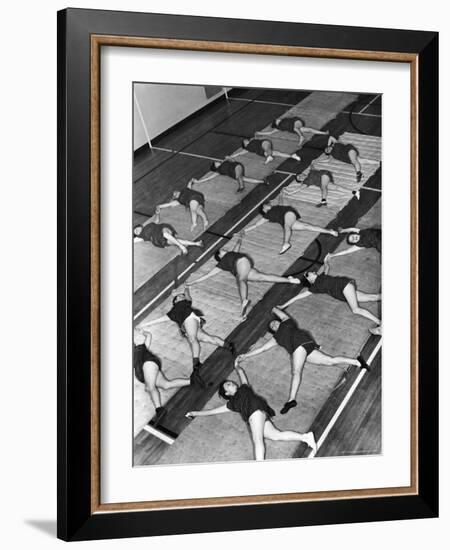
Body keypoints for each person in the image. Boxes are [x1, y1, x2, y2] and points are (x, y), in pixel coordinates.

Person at [235, 307, 368, 415]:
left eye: (275, 322)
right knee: (329, 361)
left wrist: (272, 308)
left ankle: (291, 400)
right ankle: (357, 362)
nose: (274, 324)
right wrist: (246, 355)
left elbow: (278, 312)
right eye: (272, 326)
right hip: (304, 348)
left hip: (300, 344)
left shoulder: (287, 322)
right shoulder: (276, 339)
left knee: (296, 371)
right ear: (272, 331)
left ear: (280, 321)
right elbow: (262, 348)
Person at [186, 364, 317, 460]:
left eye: (231, 382)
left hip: (255, 411)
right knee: (276, 435)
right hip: (257, 414)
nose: (232, 383)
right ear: (227, 393)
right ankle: (305, 437)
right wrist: (195, 413)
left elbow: (242, 375)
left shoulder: (244, 388)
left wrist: (237, 367)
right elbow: (212, 411)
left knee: (257, 440)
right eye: (229, 385)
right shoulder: (231, 404)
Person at [187, 234, 301, 319]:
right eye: (222, 251)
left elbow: (237, 247)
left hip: (242, 261)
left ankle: (244, 301)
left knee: (241, 280)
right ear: (220, 257)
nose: (225, 249)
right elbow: (208, 274)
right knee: (263, 277)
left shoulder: (230, 255)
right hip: (243, 267)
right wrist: (193, 282)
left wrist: (240, 238)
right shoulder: (222, 263)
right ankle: (289, 280)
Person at [140, 287, 235, 388]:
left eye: (182, 296)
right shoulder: (175, 309)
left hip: (189, 319)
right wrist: (145, 324)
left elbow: (187, 295)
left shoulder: (184, 304)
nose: (182, 297)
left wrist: (186, 289)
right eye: (179, 297)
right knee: (208, 338)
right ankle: (228, 345)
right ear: (175, 301)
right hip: (192, 320)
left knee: (192, 339)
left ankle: (196, 364)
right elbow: (161, 319)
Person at [280, 262, 381, 333]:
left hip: (344, 286)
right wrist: (284, 305)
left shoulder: (320, 277)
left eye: (310, 271)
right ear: (309, 280)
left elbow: (326, 267)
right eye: (308, 274)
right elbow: (298, 297)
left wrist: (326, 260)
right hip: (344, 291)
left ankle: (380, 323)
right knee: (371, 297)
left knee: (355, 310)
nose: (311, 272)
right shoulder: (315, 287)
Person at [133, 327, 190, 424]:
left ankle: (160, 410)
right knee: (166, 385)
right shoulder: (141, 348)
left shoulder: (140, 348)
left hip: (148, 363)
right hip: (148, 366)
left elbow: (148, 335)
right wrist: (143, 332)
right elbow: (149, 335)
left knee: (149, 387)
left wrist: (143, 332)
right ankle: (192, 380)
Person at [243, 201, 338, 254]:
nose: (269, 204)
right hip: (287, 219)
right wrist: (244, 231)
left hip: (289, 213)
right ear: (264, 209)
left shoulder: (275, 207)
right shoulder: (266, 216)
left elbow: (281, 202)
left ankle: (286, 243)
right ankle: (330, 231)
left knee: (286, 226)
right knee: (307, 226)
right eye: (266, 204)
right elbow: (255, 225)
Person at [133, 207, 203, 255]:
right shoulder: (141, 237)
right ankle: (196, 243)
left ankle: (182, 247)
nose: (137, 231)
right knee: (176, 240)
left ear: (140, 226)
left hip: (162, 228)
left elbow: (156, 221)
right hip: (158, 240)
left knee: (165, 233)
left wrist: (157, 214)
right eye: (136, 232)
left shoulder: (148, 225)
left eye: (136, 229)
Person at [190, 160, 265, 193]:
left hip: (237, 167)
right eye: (215, 163)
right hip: (235, 173)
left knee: (240, 177)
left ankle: (241, 187)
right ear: (215, 166)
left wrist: (229, 158)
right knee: (243, 178)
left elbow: (233, 160)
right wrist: (198, 181)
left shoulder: (224, 162)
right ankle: (262, 181)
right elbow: (209, 177)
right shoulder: (218, 172)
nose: (216, 161)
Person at [256, 116, 329, 147]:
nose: (278, 119)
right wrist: (259, 133)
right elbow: (270, 132)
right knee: (308, 129)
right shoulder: (278, 128)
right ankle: (324, 133)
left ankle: (301, 137)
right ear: (276, 123)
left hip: (297, 122)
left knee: (295, 128)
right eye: (277, 120)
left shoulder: (284, 120)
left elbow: (293, 120)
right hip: (296, 128)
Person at [225, 138, 301, 165]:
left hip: (263, 143)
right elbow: (238, 154)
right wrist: (231, 156)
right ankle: (292, 156)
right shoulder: (246, 149)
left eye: (246, 140)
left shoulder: (252, 141)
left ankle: (269, 157)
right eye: (244, 141)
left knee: (267, 149)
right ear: (244, 145)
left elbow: (257, 139)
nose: (245, 140)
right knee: (278, 153)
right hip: (262, 151)